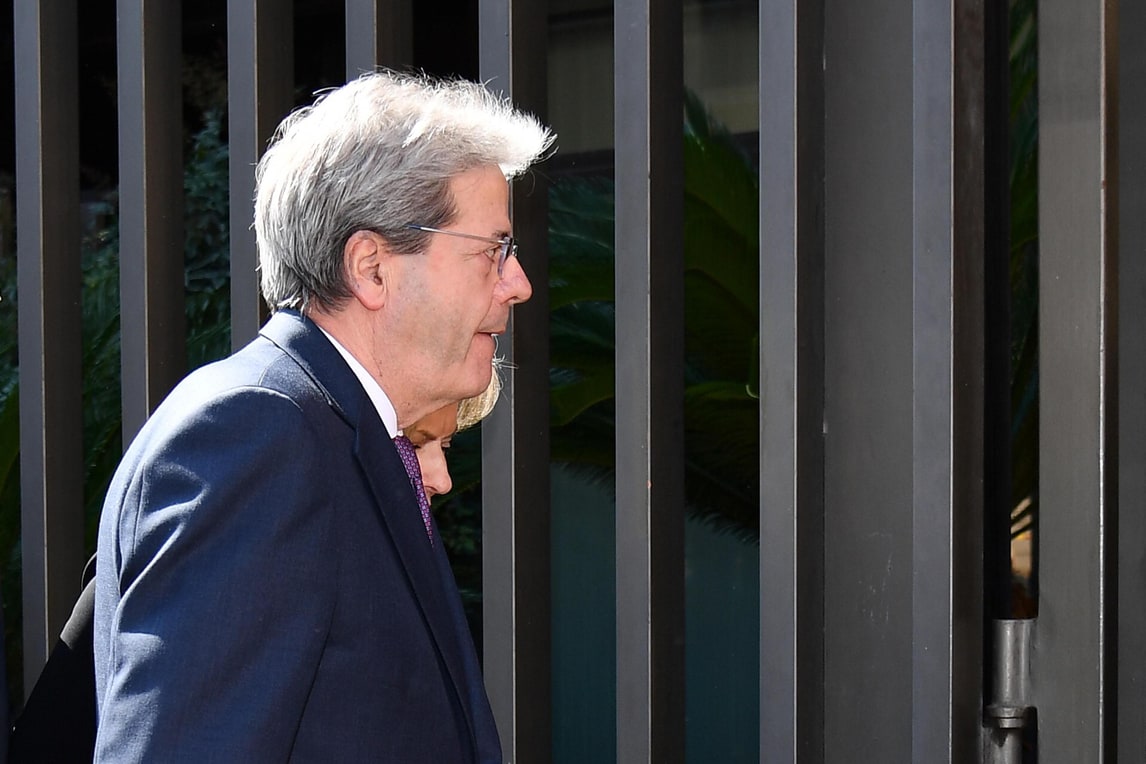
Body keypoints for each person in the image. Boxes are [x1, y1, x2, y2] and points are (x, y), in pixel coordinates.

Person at [93, 70, 554, 762]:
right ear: (371, 267)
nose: (518, 284)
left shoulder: (326, 435)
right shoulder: (259, 435)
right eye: (494, 250)